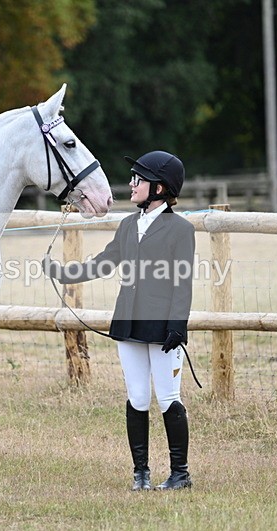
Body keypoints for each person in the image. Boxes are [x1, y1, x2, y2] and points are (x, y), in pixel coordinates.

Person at [43, 150, 195, 491]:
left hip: (162, 328)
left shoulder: (180, 229)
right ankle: (141, 472)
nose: (131, 184)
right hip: (128, 323)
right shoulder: (128, 225)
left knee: (168, 398)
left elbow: (182, 282)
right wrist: (64, 274)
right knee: (138, 398)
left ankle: (180, 473)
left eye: (137, 179)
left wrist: (177, 325)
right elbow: (104, 262)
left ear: (158, 188)